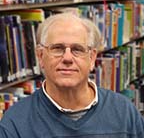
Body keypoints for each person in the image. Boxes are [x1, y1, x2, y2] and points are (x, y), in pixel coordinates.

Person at [0, 13, 144, 138]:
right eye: (57, 48)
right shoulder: (15, 123)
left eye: (77, 49)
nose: (67, 58)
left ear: (92, 58)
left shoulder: (124, 112)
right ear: (41, 56)